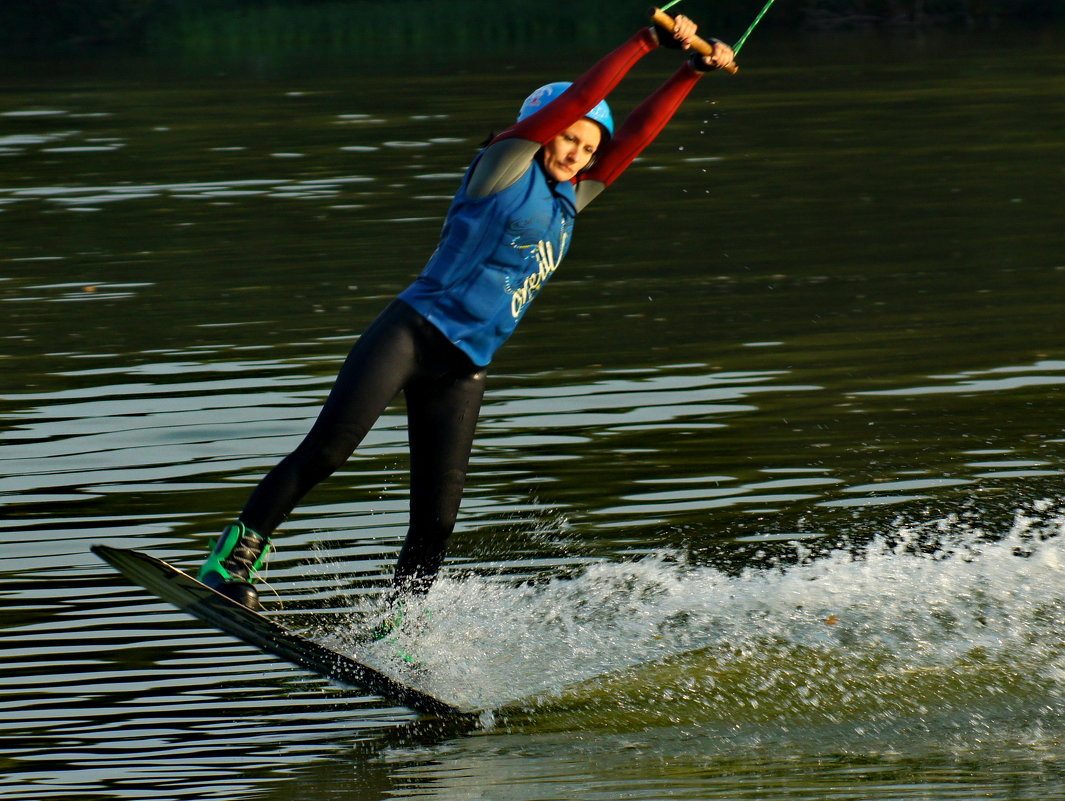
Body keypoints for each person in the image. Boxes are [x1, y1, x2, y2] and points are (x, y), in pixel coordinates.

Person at [198, 15, 736, 611]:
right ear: (542, 130)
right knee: (327, 452)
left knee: (437, 518)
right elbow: (583, 100)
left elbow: (632, 136)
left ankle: (400, 626)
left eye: (588, 147)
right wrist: (644, 43)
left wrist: (689, 73)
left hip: (464, 369)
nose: (577, 152)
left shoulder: (574, 196)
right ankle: (232, 559)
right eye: (568, 138)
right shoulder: (501, 167)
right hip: (410, 334)